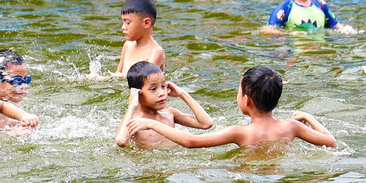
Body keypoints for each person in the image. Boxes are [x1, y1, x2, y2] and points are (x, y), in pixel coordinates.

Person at [126, 66, 337, 150]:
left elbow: (191, 142)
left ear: (246, 100)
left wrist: (146, 122)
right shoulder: (292, 126)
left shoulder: (239, 132)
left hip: (246, 178)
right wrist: (309, 117)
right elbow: (331, 142)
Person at [114, 61, 212, 149]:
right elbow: (121, 141)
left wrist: (183, 94)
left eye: (163, 86)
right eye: (153, 89)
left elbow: (206, 123)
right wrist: (132, 105)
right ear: (138, 94)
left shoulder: (170, 114)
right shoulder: (136, 121)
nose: (162, 93)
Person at [0, 48, 32, 130]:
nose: (24, 86)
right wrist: (13, 134)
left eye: (27, 80)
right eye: (17, 80)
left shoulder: (5, 106)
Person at [116, 0, 165, 73]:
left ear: (146, 23)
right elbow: (117, 75)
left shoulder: (155, 52)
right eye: (123, 22)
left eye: (128, 23)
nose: (123, 27)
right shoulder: (128, 45)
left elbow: (145, 81)